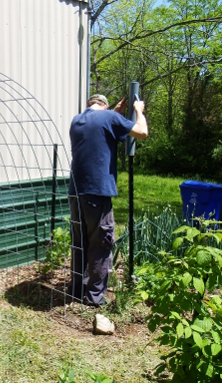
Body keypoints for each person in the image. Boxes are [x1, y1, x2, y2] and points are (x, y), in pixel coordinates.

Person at [68, 94, 148, 306]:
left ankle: (76, 290)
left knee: (80, 242)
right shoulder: (109, 119)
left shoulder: (77, 121)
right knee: (101, 243)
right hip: (97, 191)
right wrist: (139, 110)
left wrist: (115, 113)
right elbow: (142, 132)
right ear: (104, 106)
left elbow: (100, 129)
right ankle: (95, 298)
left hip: (76, 192)